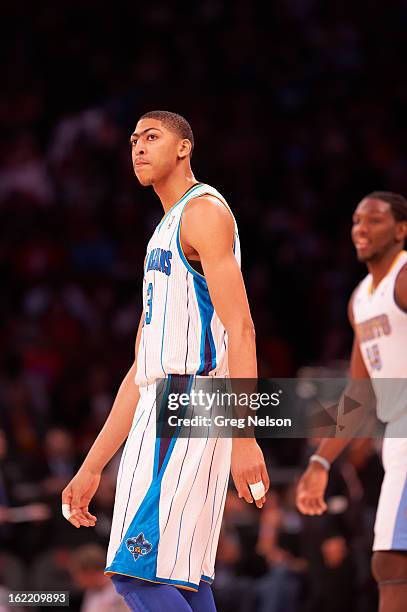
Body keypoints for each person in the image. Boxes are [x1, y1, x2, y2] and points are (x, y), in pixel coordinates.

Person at [62, 110, 269, 611]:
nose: (138, 146)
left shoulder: (204, 212)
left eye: (151, 137)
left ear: (184, 147)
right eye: (133, 139)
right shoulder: (165, 230)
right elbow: (140, 367)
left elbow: (241, 328)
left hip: (190, 403)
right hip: (167, 398)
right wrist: (92, 467)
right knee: (184, 582)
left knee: (135, 574)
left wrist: (246, 437)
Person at [296, 192, 407, 612]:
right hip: (394, 435)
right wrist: (321, 462)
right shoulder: (360, 299)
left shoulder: (403, 276)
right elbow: (358, 395)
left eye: (375, 220)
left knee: (390, 561)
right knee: (391, 563)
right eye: (357, 220)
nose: (361, 228)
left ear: (401, 230)